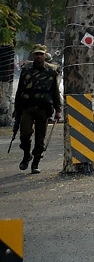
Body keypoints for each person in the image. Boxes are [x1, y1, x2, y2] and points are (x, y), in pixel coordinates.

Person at [14, 44, 62, 174]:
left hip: (43, 108)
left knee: (40, 138)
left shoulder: (51, 71)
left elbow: (55, 92)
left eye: (41, 54)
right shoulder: (26, 70)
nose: (39, 56)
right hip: (27, 106)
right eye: (36, 54)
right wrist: (16, 109)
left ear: (45, 55)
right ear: (33, 55)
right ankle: (26, 155)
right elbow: (19, 90)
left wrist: (58, 109)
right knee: (25, 134)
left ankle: (35, 162)